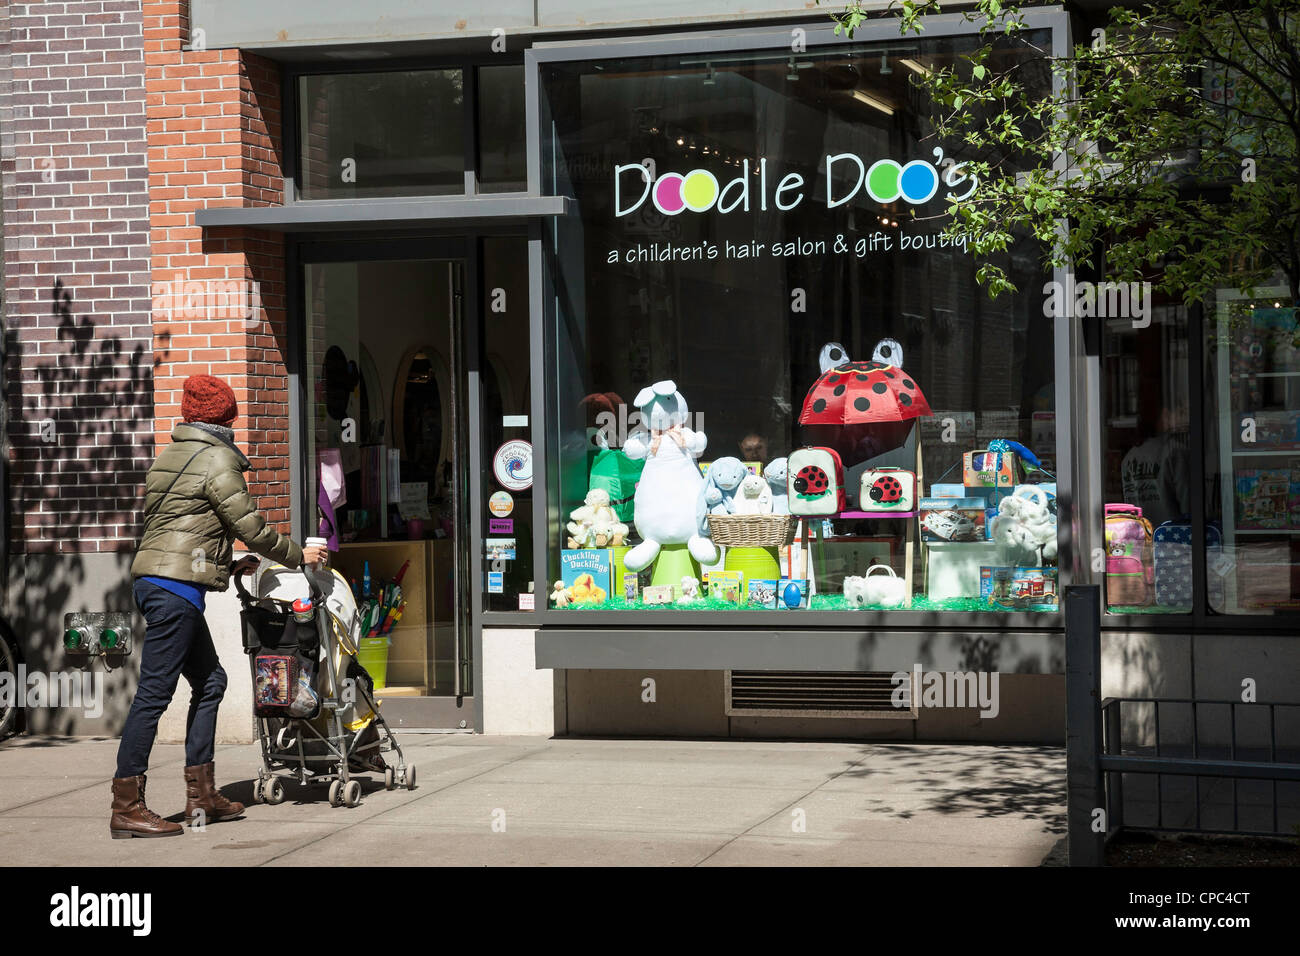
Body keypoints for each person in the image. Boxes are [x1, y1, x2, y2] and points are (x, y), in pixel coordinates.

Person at [111, 375, 327, 839]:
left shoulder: (170, 455)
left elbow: (181, 528)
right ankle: (127, 806)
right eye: (233, 413)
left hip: (157, 581)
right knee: (154, 695)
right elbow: (249, 525)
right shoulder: (217, 460)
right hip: (175, 593)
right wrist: (297, 555)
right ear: (225, 417)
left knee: (212, 681)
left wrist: (228, 564)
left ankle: (202, 795)